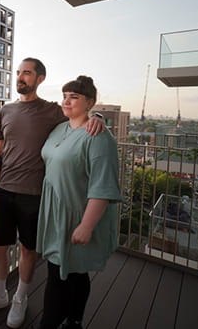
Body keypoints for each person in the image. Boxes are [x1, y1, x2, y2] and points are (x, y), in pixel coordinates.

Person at [0, 59, 105, 328]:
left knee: (27, 249)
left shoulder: (52, 111)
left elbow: (78, 117)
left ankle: (20, 298)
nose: (20, 77)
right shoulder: (5, 111)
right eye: (19, 72)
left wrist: (98, 118)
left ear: (40, 78)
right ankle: (0, 295)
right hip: (3, 191)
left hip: (34, 194)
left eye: (27, 73)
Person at [36, 76, 122, 329]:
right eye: (65, 95)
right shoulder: (59, 128)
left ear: (90, 103)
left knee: (58, 275)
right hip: (55, 211)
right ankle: (74, 319)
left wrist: (86, 225)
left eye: (74, 97)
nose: (66, 101)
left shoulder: (98, 137)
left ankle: (49, 324)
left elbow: (103, 185)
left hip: (77, 214)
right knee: (75, 271)